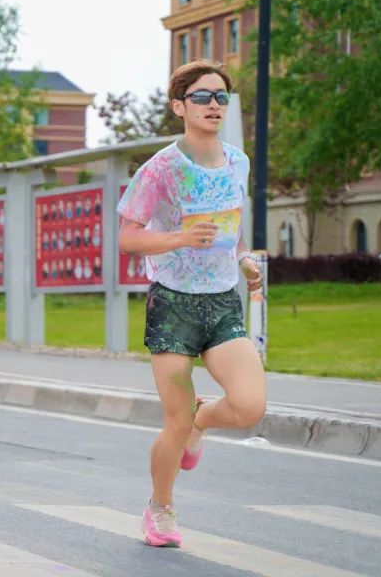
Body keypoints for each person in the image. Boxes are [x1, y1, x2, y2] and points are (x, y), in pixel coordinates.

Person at [117, 60, 265, 549]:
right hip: (173, 307)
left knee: (249, 406)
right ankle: (159, 508)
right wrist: (178, 238)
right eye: (201, 96)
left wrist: (243, 258)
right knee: (174, 423)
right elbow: (127, 238)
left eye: (221, 96)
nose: (213, 105)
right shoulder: (161, 169)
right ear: (179, 106)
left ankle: (204, 419)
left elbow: (230, 228)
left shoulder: (238, 162)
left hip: (222, 303)